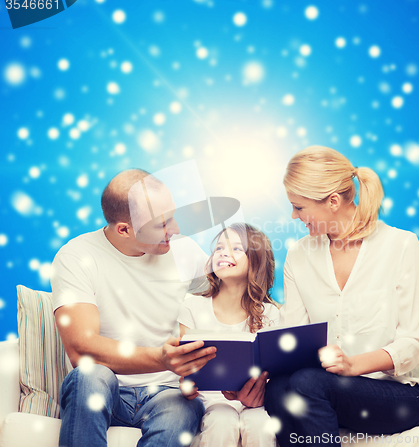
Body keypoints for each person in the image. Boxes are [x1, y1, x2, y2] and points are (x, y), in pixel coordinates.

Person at [264, 146, 419, 447]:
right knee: (278, 389)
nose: (293, 216)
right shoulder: (298, 255)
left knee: (306, 384)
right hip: (329, 390)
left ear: (333, 201)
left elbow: (413, 345)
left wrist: (353, 365)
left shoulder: (400, 245)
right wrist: (255, 378)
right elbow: (294, 338)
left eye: (299, 207)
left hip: (400, 394)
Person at [51, 169, 216, 447]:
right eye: (161, 224)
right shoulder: (77, 256)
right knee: (89, 376)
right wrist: (161, 358)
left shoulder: (184, 251)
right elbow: (81, 349)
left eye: (173, 217)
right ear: (124, 229)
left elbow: (232, 301)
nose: (174, 230)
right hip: (109, 389)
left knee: (181, 409)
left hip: (169, 391)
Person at [178, 223, 279, 447]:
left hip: (255, 404)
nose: (224, 252)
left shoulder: (270, 314)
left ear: (256, 260)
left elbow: (276, 373)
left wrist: (259, 393)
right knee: (222, 420)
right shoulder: (192, 307)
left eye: (236, 248)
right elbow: (184, 368)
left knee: (258, 423)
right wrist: (186, 384)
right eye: (219, 248)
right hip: (210, 403)